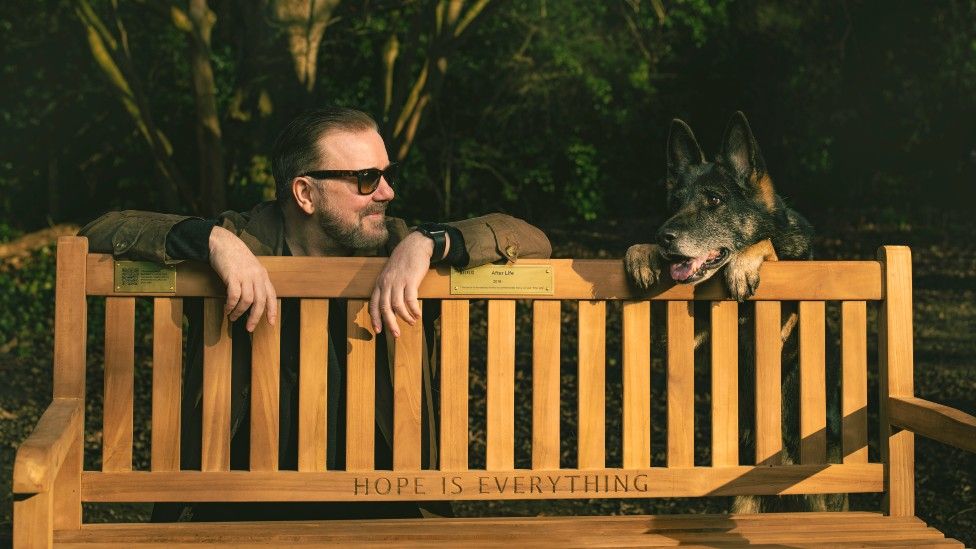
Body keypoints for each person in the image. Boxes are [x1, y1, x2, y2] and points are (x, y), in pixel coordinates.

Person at [79, 107, 551, 520]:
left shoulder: (403, 246)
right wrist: (211, 240)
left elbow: (530, 238)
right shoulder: (240, 242)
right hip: (235, 504)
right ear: (305, 193)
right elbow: (102, 230)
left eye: (388, 175)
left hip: (386, 505)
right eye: (367, 178)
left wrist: (431, 240)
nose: (386, 192)